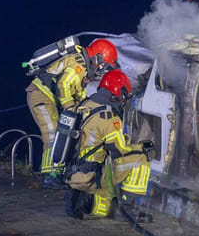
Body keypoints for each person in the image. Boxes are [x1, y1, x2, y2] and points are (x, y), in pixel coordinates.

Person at [25, 38, 119, 188]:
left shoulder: (84, 67)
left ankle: (58, 172)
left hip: (48, 98)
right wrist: (70, 108)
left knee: (62, 135)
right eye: (103, 64)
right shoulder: (78, 65)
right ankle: (50, 176)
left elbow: (78, 93)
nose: (102, 68)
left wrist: (81, 109)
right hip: (40, 95)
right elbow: (64, 85)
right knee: (52, 134)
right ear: (98, 56)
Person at [63, 69, 153, 221]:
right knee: (141, 159)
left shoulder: (85, 104)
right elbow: (120, 152)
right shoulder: (109, 118)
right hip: (91, 176)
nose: (124, 100)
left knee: (104, 208)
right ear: (117, 93)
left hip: (72, 173)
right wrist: (141, 147)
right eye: (124, 96)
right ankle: (129, 210)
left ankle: (83, 199)